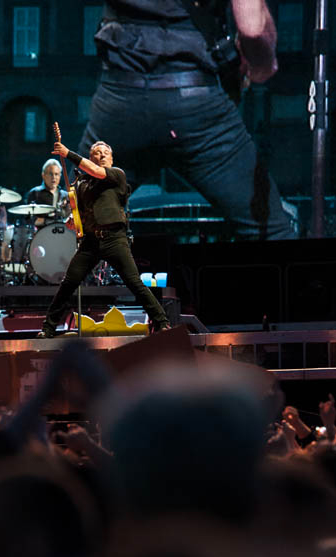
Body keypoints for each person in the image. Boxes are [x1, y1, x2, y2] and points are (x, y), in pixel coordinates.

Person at [77, 0, 295, 241]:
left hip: (119, 101)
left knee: (73, 227)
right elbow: (252, 27)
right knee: (270, 231)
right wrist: (264, 63)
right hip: (195, 104)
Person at [37, 140, 170, 337]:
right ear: (91, 158)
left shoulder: (116, 175)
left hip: (114, 239)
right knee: (68, 283)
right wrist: (73, 220)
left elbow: (97, 171)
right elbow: (80, 212)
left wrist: (68, 153)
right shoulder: (82, 184)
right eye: (97, 153)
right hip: (91, 242)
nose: (101, 155)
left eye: (105, 153)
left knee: (134, 283)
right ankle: (48, 328)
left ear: (111, 159)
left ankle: (162, 322)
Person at [26, 158, 70, 227]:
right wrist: (44, 221)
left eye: (56, 174)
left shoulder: (65, 195)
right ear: (43, 175)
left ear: (60, 176)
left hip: (62, 231)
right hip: (41, 231)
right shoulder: (34, 193)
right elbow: (28, 219)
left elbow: (68, 217)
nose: (54, 177)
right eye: (50, 174)